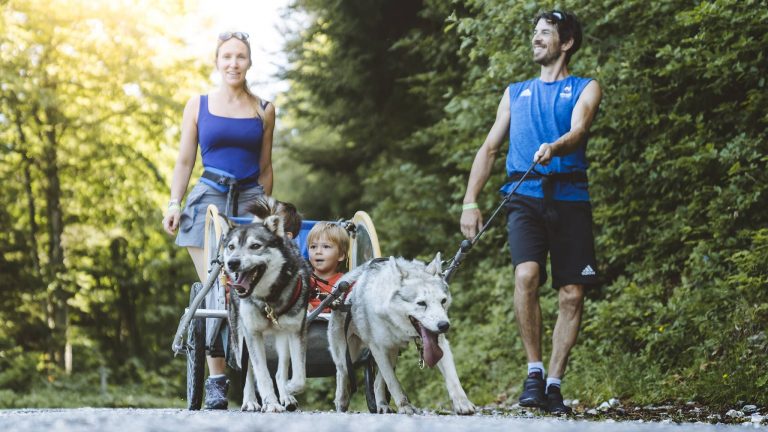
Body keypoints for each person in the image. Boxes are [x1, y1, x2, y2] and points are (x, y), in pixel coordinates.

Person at [459, 10, 602, 415]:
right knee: (527, 274)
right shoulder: (514, 92)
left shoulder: (585, 87)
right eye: (534, 33)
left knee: (572, 293)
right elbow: (488, 149)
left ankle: (554, 383)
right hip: (523, 194)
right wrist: (471, 201)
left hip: (571, 197)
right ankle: (534, 371)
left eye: (545, 33)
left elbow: (578, 131)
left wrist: (554, 147)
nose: (536, 39)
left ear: (567, 42)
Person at [161, 30, 275, 410]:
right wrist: (174, 203)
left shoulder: (264, 109)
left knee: (254, 288)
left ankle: (259, 378)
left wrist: (268, 211)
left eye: (240, 56)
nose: (233, 63)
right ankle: (217, 380)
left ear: (249, 62)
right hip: (207, 201)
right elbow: (184, 160)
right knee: (217, 288)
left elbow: (265, 167)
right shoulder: (198, 105)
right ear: (217, 61)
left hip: (249, 201)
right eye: (226, 56)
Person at [306, 222, 350, 313]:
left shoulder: (346, 283)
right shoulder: (302, 281)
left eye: (326, 246)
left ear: (341, 255)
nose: (318, 251)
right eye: (313, 246)